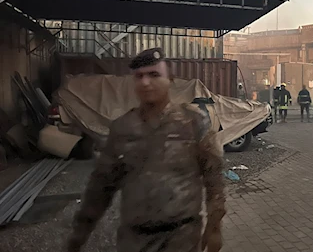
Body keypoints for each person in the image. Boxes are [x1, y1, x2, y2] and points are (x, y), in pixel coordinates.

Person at [66, 48, 226, 252]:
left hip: (182, 239)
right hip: (135, 240)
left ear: (170, 79)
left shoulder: (193, 122)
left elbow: (214, 177)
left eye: (154, 75)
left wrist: (214, 228)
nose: (145, 82)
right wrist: (77, 238)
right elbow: (100, 188)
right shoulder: (122, 129)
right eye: (139, 76)